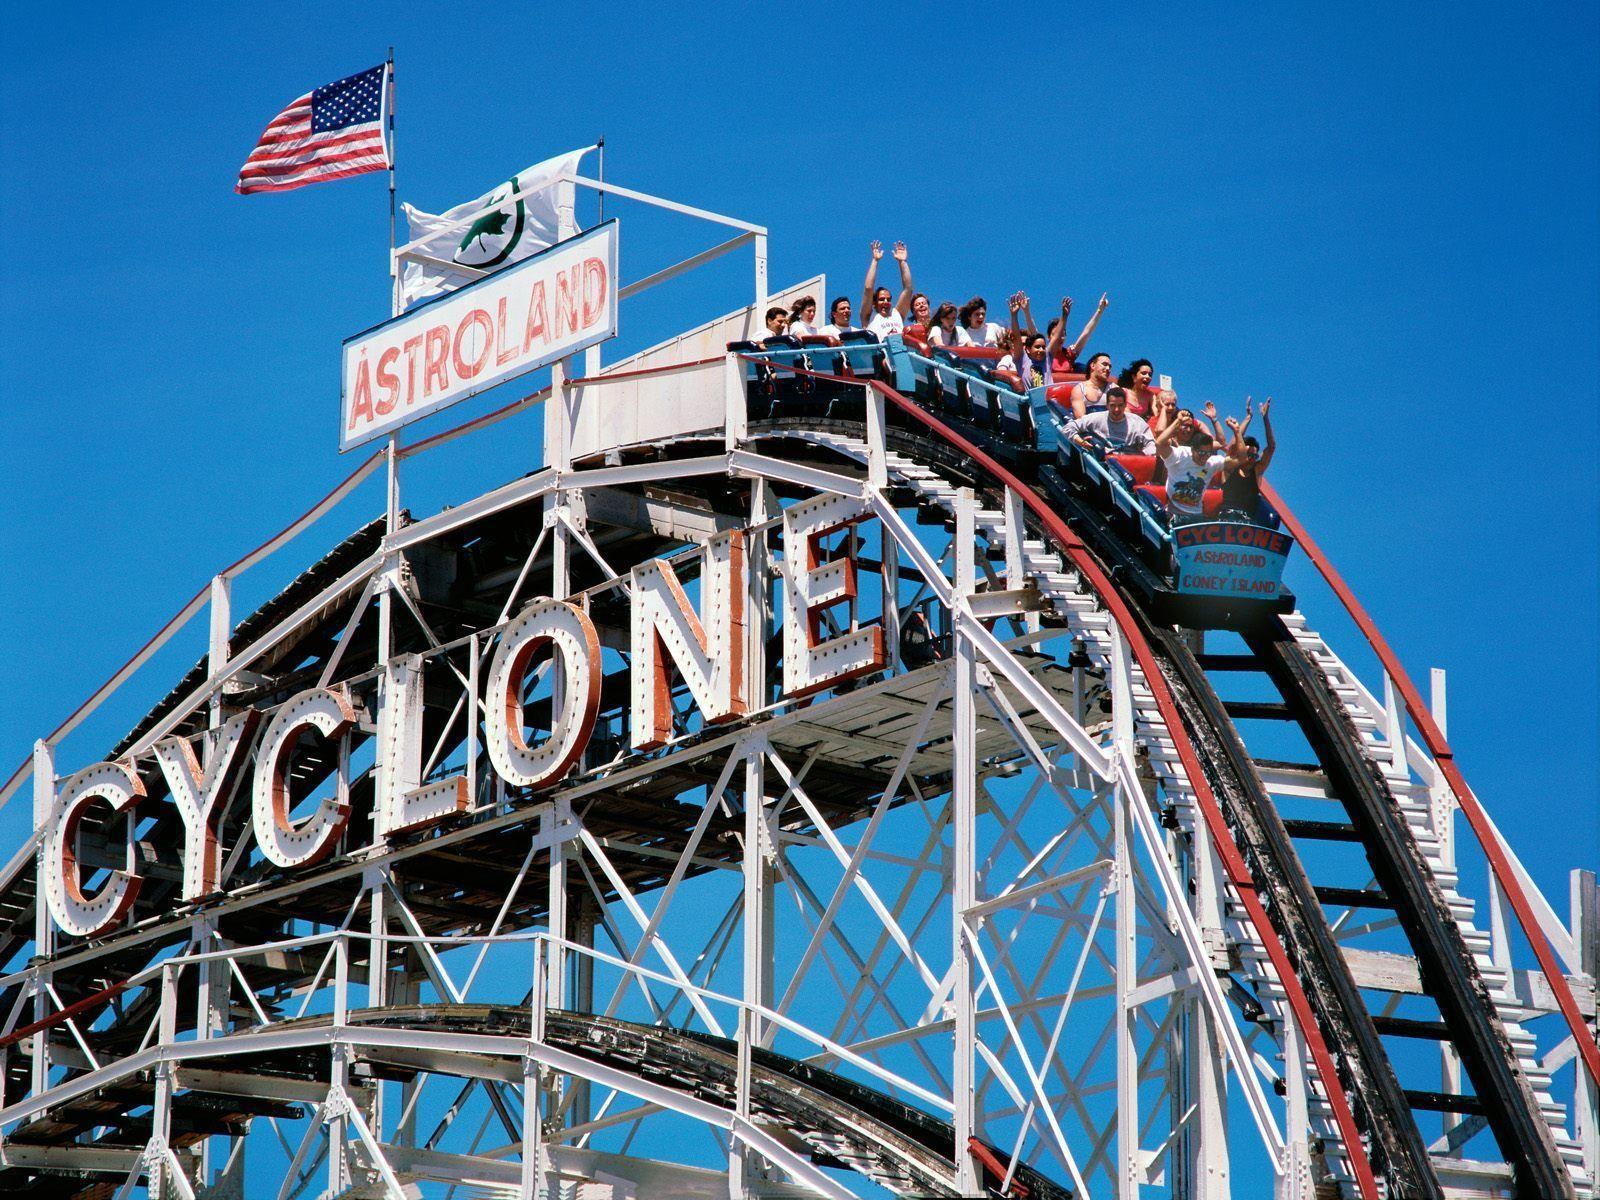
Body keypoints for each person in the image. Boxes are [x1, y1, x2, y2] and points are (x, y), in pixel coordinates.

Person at [1153, 407, 1228, 523]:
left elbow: (1221, 443)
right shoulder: (1170, 443)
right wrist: (1178, 420)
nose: (1187, 430)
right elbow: (1159, 437)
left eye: (1190, 427)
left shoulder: (1198, 447)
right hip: (1169, 497)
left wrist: (1214, 420)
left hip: (1192, 502)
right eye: (1184, 426)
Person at [1217, 397, 1276, 521]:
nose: (1251, 459)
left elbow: (1271, 447)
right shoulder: (1231, 466)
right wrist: (1246, 419)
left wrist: (1265, 418)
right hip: (1228, 516)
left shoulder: (1257, 471)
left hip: (1247, 520)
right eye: (1248, 454)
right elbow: (1232, 447)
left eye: (1254, 456)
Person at [1064, 385, 1155, 453]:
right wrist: (1080, 441)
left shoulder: (1137, 423)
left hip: (1129, 462)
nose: (1116, 409)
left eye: (1120, 405)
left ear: (1125, 405)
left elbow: (1151, 445)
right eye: (1112, 405)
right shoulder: (1095, 418)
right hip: (1103, 462)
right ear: (1107, 405)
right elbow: (1067, 428)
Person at [1045, 293, 1109, 376]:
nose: (1059, 338)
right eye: (1056, 335)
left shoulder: (1068, 354)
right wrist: (1064, 315)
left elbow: (1086, 333)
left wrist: (1099, 311)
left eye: (1063, 335)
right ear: (1048, 337)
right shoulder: (1043, 355)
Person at [861, 240, 914, 338]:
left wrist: (902, 262)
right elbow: (868, 288)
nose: (885, 302)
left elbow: (908, 289)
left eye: (888, 299)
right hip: (880, 352)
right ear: (874, 302)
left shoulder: (897, 314)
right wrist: (875, 261)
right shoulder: (868, 315)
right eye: (881, 299)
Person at [1069, 353, 1114, 418]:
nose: (1108, 368)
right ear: (1093, 365)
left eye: (1110, 366)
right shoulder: (1079, 390)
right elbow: (1081, 420)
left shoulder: (1114, 389)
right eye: (1104, 364)